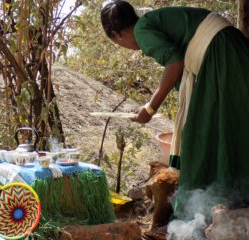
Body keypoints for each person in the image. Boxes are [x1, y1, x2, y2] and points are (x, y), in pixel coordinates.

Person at [101, 1, 249, 239]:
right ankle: (227, 204)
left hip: (222, 55)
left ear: (118, 35)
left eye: (118, 42)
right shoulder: (151, 22)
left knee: (201, 136)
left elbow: (176, 63)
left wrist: (149, 108)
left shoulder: (142, 29)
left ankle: (204, 211)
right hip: (228, 50)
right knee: (227, 127)